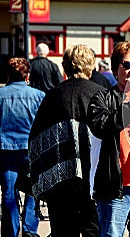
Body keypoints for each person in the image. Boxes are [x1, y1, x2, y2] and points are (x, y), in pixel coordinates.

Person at [29, 44, 103, 237]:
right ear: (91, 65)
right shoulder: (100, 94)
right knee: (93, 230)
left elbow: (36, 140)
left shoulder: (52, 96)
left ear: (64, 67)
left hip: (59, 182)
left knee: (62, 231)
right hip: (93, 180)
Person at [87, 41, 130, 237]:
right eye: (126, 65)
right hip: (116, 186)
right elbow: (101, 126)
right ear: (116, 68)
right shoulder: (103, 98)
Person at [0, 57, 44, 237]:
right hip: (30, 150)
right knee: (33, 191)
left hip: (5, 150)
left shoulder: (0, 96)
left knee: (9, 194)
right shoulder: (38, 96)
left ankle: (11, 231)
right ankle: (29, 230)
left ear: (8, 75)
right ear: (27, 75)